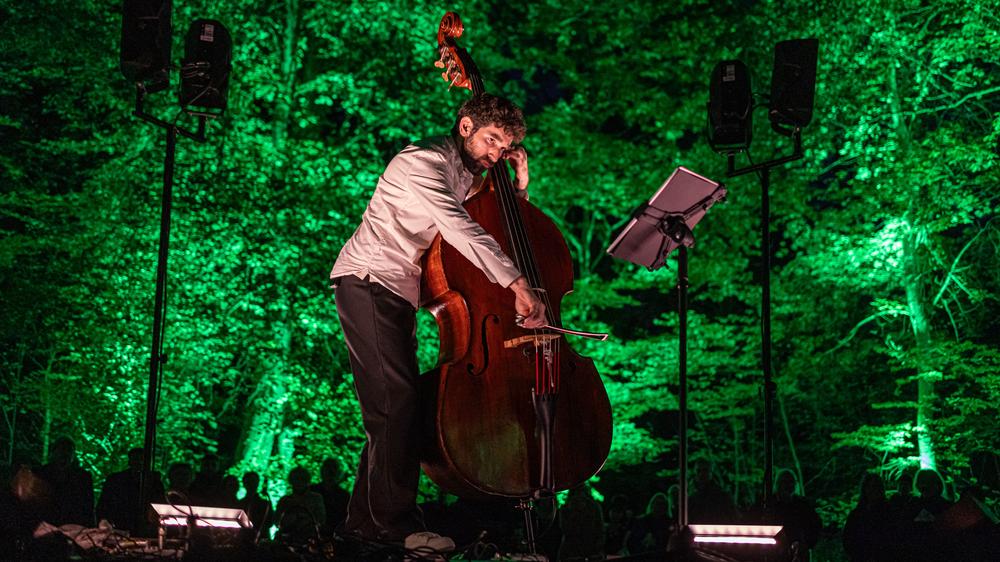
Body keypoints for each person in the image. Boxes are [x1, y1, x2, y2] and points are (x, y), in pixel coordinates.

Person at [329, 93, 546, 553]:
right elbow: (462, 231)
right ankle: (392, 525)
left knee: (392, 407)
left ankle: (363, 524)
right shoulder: (422, 162)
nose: (496, 154)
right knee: (398, 402)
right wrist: (518, 284)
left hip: (396, 292)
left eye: (504, 148)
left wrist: (520, 190)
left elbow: (492, 220)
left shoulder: (466, 175)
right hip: (368, 280)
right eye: (492, 140)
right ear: (465, 125)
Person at [842, 473, 892, 561]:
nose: (873, 490)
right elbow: (848, 537)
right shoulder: (857, 513)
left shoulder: (889, 512)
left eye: (876, 487)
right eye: (870, 487)